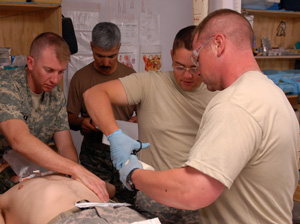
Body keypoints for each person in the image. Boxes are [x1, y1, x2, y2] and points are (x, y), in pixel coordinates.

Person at [88, 9, 299, 223]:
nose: (195, 68)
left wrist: (133, 174)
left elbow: (193, 191)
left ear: (218, 44)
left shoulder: (234, 103)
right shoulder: (273, 93)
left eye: (197, 57)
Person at [84, 25, 218, 223]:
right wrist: (115, 135)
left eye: (195, 68)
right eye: (179, 66)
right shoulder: (150, 84)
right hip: (154, 199)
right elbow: (93, 95)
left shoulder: (218, 92)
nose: (187, 75)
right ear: (171, 55)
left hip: (200, 200)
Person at [0, 32, 109, 202]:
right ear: (31, 63)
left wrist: (72, 176)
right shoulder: (7, 86)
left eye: (60, 72)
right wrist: (76, 170)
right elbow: (18, 139)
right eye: (49, 70)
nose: (55, 79)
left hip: (30, 170)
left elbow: (65, 146)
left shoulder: (55, 95)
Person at [67, 22, 137, 204]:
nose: (105, 62)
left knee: (129, 205)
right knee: (95, 203)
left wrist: (139, 119)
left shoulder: (131, 77)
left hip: (126, 155)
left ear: (119, 48)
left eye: (112, 56)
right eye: (99, 56)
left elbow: (145, 113)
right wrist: (82, 122)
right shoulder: (80, 78)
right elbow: (69, 118)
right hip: (94, 155)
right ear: (91, 46)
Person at [0, 163, 148, 224]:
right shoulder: (9, 195)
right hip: (70, 219)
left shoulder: (71, 174)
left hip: (118, 213)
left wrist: (84, 177)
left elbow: (110, 189)